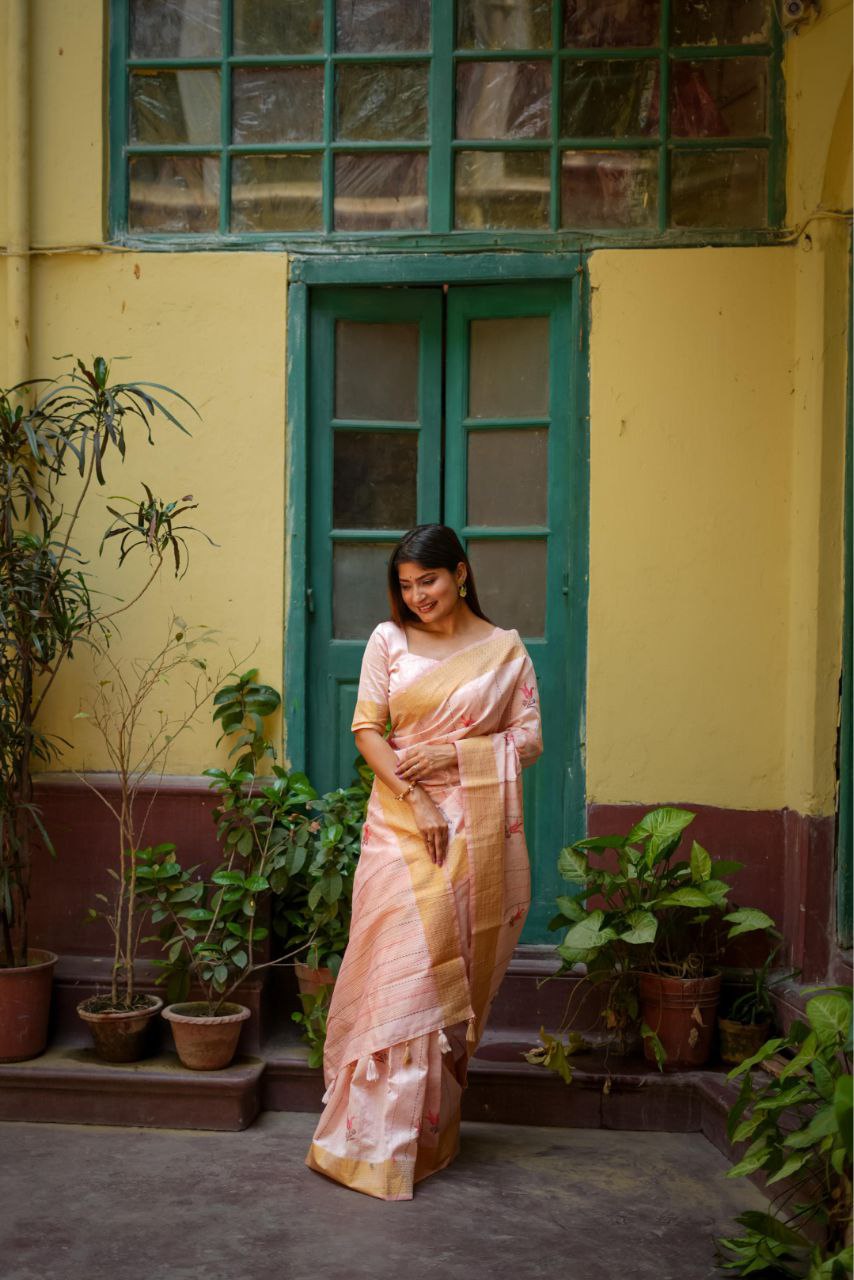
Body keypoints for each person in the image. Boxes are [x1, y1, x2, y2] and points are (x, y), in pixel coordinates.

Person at [305, 524, 542, 1200]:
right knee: (394, 965)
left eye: (429, 582)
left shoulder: (505, 654)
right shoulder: (389, 641)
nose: (418, 597)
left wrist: (454, 757)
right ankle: (364, 1142)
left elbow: (527, 741)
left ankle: (418, 1137)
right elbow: (367, 728)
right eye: (407, 587)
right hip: (399, 821)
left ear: (461, 574)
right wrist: (416, 791)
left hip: (473, 826)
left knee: (438, 977)